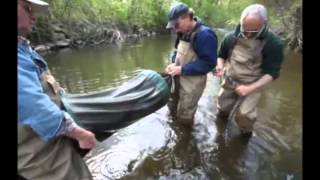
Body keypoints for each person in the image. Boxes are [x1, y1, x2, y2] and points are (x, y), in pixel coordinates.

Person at [18, 0, 97, 179]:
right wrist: (79, 133)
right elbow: (33, 107)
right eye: (27, 8)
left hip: (48, 142)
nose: (33, 15)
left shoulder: (22, 48)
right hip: (41, 158)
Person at [214, 4, 284, 136]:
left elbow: (272, 74)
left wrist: (249, 88)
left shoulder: (273, 44)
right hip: (230, 80)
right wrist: (220, 66)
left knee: (245, 115)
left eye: (253, 32)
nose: (247, 35)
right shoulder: (230, 38)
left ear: (264, 24)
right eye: (244, 30)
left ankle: (245, 137)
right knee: (222, 108)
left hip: (254, 83)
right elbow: (221, 56)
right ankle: (220, 131)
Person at [165, 2, 217, 127]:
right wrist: (173, 64)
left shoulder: (205, 35)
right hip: (178, 77)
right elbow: (177, 51)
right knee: (173, 105)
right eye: (173, 26)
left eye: (176, 25)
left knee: (185, 115)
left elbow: (209, 63)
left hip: (192, 84)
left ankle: (185, 137)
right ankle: (174, 127)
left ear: (187, 17)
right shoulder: (182, 31)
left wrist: (182, 69)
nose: (175, 29)